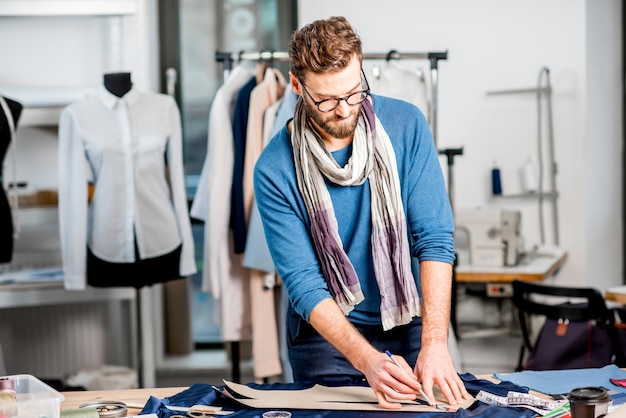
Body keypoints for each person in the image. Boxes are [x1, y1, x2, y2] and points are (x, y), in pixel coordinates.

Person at [253, 16, 471, 409]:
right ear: (297, 86)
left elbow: (435, 238)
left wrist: (436, 342)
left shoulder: (407, 126)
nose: (343, 111)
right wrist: (366, 359)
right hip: (325, 337)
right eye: (327, 100)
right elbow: (304, 283)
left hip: (407, 320)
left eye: (354, 93)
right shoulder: (273, 169)